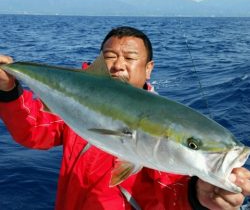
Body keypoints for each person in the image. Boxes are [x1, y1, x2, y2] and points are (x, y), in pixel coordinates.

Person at [0, 26, 249, 210]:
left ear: (149, 68)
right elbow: (33, 131)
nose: (118, 64)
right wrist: (8, 90)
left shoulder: (166, 124)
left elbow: (170, 192)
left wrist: (196, 197)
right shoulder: (72, 111)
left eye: (130, 58)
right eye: (109, 56)